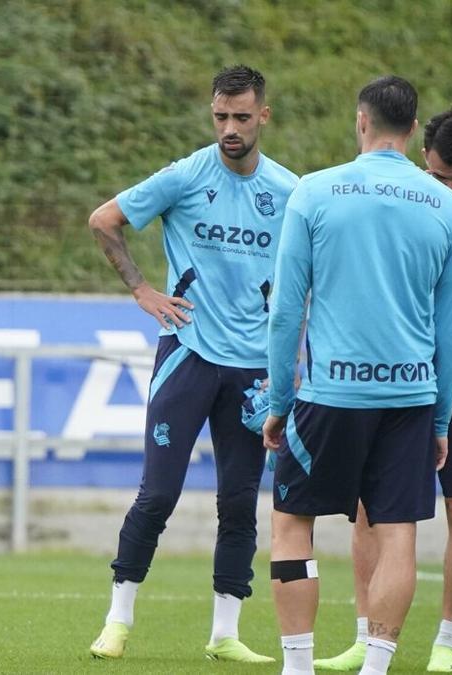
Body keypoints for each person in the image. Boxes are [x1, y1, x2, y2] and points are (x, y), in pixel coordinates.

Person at [86, 65, 296, 663]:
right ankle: (117, 620)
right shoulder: (184, 175)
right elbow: (105, 220)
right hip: (188, 354)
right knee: (158, 495)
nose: (229, 128)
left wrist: (292, 350)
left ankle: (226, 633)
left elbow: (308, 278)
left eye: (240, 117)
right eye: (220, 116)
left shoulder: (289, 192)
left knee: (238, 502)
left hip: (254, 368)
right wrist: (142, 291)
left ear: (263, 116)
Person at [263, 76, 452, 675]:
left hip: (330, 394)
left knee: (291, 522)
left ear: (361, 121)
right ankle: (376, 668)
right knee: (398, 533)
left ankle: (297, 667)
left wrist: (281, 401)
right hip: (409, 398)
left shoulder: (315, 192)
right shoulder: (449, 207)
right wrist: (441, 419)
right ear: (412, 130)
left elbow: (285, 311)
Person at [314, 108, 452, 674]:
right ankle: (364, 637)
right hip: (402, 373)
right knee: (369, 509)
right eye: (441, 177)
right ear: (423, 157)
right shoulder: (407, 197)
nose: (451, 189)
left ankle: (446, 643)